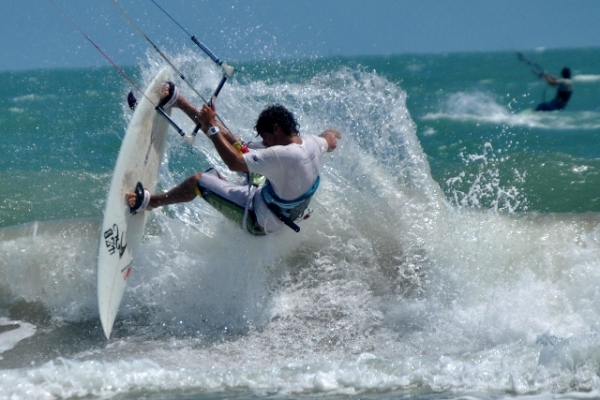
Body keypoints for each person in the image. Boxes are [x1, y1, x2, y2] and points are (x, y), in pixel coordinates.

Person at [127, 82, 341, 235]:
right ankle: (179, 102)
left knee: (197, 181)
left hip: (260, 219)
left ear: (276, 129)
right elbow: (329, 139)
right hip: (275, 196)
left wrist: (212, 128)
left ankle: (150, 202)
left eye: (265, 138)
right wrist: (333, 134)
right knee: (239, 144)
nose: (264, 143)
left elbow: (234, 163)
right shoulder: (312, 142)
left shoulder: (281, 155)